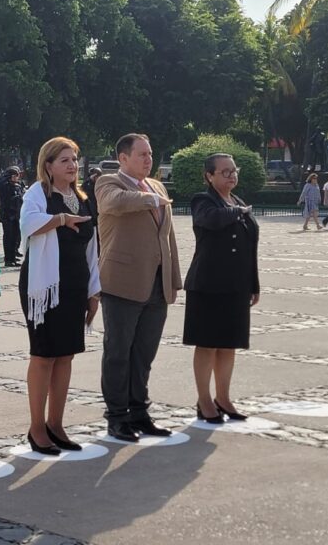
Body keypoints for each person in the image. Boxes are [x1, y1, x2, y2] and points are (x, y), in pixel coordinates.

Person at [95, 133, 182, 442]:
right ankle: (117, 417)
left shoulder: (157, 186)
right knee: (118, 352)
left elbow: (166, 237)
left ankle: (140, 413)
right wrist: (150, 199)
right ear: (123, 158)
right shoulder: (109, 183)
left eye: (150, 153)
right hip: (122, 283)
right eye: (142, 154)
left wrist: (173, 277)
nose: (148, 159)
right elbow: (114, 204)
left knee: (144, 353)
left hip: (157, 283)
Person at [18, 137, 100, 454]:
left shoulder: (82, 197)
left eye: (74, 160)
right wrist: (62, 219)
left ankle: (56, 424)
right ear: (48, 165)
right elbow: (28, 224)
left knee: (65, 354)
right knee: (43, 355)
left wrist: (95, 292)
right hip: (43, 288)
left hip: (75, 286)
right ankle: (37, 427)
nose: (72, 165)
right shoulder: (38, 193)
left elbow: (93, 248)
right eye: (64, 160)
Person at [183, 153, 258, 424]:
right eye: (224, 172)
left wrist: (254, 284)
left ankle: (223, 398)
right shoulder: (203, 200)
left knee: (229, 345)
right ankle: (204, 400)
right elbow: (211, 220)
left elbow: (251, 249)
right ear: (209, 176)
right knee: (207, 344)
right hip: (208, 286)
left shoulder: (237, 201)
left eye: (233, 171)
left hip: (237, 286)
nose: (231, 175)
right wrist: (239, 212)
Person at [0, 166, 24, 267]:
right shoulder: (4, 186)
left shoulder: (18, 185)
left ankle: (13, 257)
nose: (17, 177)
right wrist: (6, 176)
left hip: (17, 214)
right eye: (15, 175)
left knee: (16, 237)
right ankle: (8, 259)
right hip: (7, 215)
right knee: (9, 237)